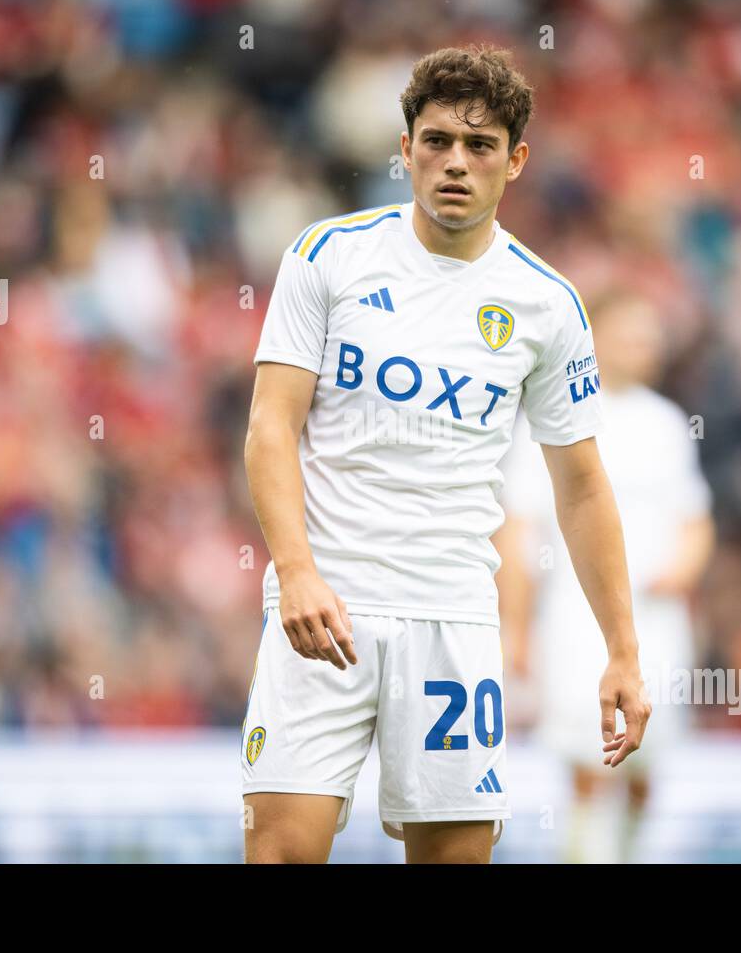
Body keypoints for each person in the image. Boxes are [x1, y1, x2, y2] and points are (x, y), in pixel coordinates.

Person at [241, 44, 650, 864]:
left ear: (516, 160)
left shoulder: (547, 305)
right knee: (280, 852)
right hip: (327, 605)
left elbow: (582, 489)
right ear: (405, 151)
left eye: (480, 145)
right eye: (435, 141)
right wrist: (296, 570)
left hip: (455, 620)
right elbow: (269, 427)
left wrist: (624, 652)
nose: (454, 163)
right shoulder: (328, 256)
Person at [497, 292, 715, 863]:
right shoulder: (551, 414)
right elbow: (517, 529)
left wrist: (681, 571)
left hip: (657, 625)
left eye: (648, 337)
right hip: (575, 621)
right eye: (628, 334)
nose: (641, 347)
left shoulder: (668, 423)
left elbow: (696, 520)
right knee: (590, 761)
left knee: (649, 764)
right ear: (594, 339)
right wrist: (515, 628)